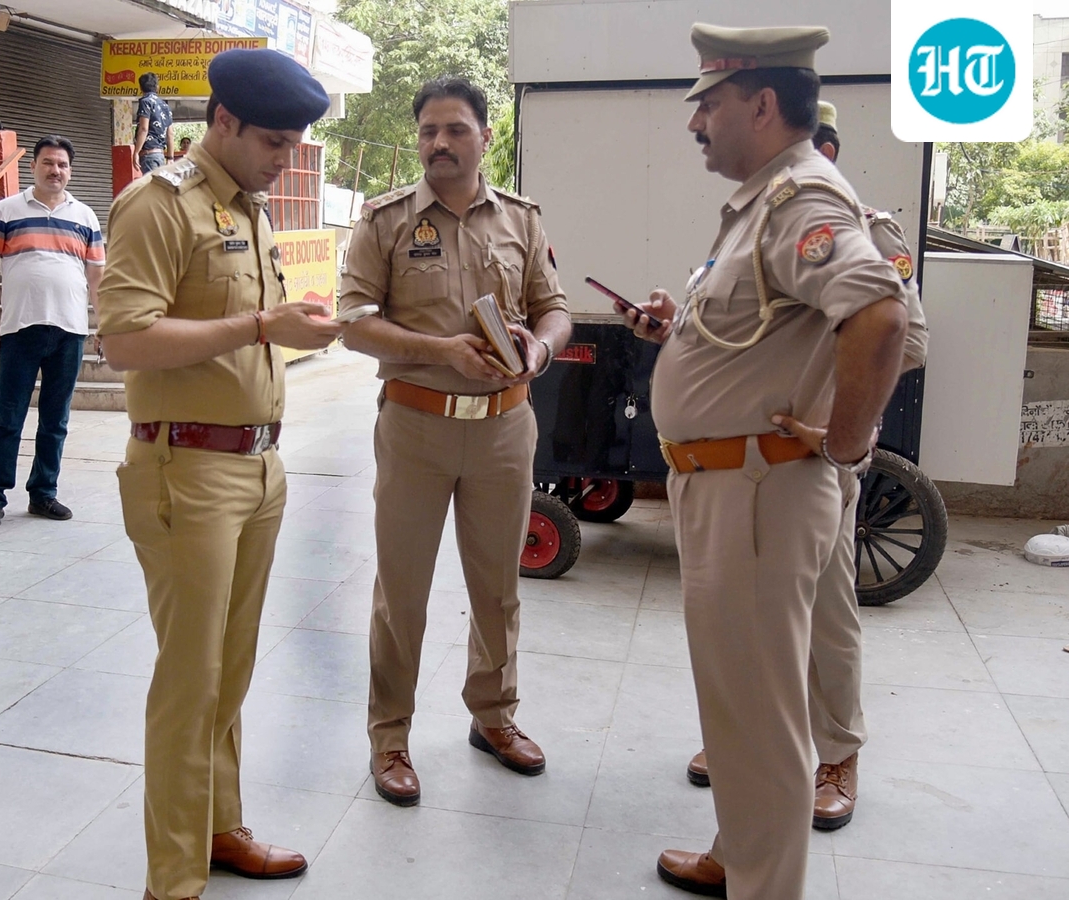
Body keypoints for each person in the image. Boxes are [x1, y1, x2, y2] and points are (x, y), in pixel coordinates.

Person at [614, 26, 908, 900]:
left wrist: (848, 445)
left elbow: (882, 318)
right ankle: (739, 853)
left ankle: (763, 883)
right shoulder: (760, 203)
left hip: (758, 490)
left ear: (762, 104)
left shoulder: (801, 200)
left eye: (707, 103)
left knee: (764, 714)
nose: (696, 122)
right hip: (731, 486)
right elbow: (761, 336)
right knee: (737, 704)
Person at [96, 48, 343, 900]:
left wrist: (287, 323)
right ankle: (173, 880)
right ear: (225, 122)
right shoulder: (158, 205)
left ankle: (218, 825)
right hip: (186, 468)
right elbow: (124, 339)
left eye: (294, 145)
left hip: (258, 467)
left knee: (229, 668)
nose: (285, 159)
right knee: (189, 678)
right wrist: (259, 325)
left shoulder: (250, 206)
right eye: (274, 141)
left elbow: (250, 320)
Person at [678, 101, 931, 841]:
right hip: (745, 461)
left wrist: (840, 427)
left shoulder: (854, 225)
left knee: (825, 613)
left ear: (820, 148)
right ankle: (748, 751)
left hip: (809, 456)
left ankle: (837, 757)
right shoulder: (751, 223)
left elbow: (903, 336)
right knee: (751, 626)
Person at [339, 76, 572, 807]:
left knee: (498, 588)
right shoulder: (386, 220)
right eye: (428, 132)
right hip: (415, 426)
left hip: (505, 426)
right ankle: (390, 737)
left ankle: (494, 717)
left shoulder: (523, 220)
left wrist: (539, 351)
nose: (439, 143)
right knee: (401, 592)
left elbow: (555, 308)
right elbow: (351, 319)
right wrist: (442, 351)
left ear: (485, 136)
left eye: (455, 130)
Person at [0, 135, 104, 527]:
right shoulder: (8, 209)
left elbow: (96, 277)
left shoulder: (85, 216)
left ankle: (44, 494)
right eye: (48, 163)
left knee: (55, 419)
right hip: (19, 329)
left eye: (62, 164)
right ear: (34, 167)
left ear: (70, 170)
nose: (55, 170)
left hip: (70, 331)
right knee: (8, 416)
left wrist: (106, 324)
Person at [133, 72, 174, 175]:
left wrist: (136, 152)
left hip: (148, 155)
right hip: (160, 155)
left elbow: (143, 129)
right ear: (157, 87)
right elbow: (170, 134)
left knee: (151, 189)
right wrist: (170, 157)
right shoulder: (165, 106)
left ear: (141, 88)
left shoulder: (145, 102)